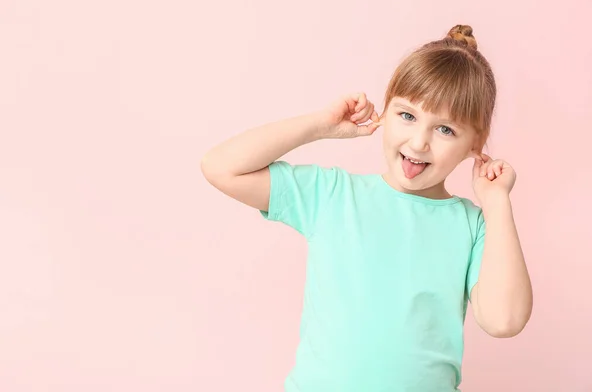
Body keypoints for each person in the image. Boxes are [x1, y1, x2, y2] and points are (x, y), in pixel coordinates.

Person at [201, 24, 533, 392]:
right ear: (385, 112)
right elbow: (221, 167)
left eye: (446, 130)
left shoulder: (473, 225)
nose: (419, 142)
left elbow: (505, 320)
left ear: (476, 144)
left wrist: (498, 202)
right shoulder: (332, 195)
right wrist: (318, 127)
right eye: (407, 116)